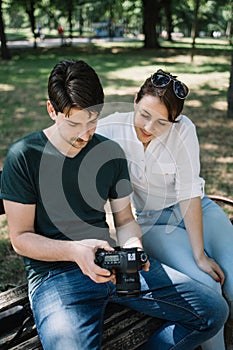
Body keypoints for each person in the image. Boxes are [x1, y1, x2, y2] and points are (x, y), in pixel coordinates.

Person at [0, 60, 228, 350]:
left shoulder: (109, 152)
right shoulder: (24, 156)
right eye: (73, 123)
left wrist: (133, 248)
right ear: (51, 110)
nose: (85, 134)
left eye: (92, 121)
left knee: (213, 312)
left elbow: (124, 220)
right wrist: (75, 251)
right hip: (55, 278)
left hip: (113, 266)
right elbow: (20, 239)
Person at [96, 68, 233, 350]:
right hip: (154, 223)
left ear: (175, 120)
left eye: (162, 123)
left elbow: (190, 193)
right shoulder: (109, 129)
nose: (149, 128)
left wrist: (199, 254)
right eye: (144, 115)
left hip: (198, 209)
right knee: (208, 286)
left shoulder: (184, 131)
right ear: (135, 100)